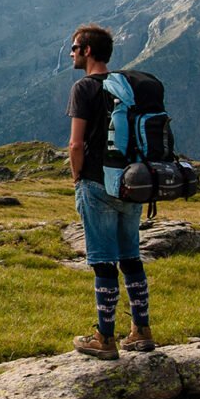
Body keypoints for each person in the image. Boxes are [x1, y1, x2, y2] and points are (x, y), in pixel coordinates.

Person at [66, 24, 154, 359]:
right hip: (130, 183)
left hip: (96, 183)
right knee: (131, 257)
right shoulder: (126, 87)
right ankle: (141, 331)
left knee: (103, 262)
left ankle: (104, 338)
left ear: (87, 51)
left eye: (75, 47)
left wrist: (77, 177)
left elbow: (76, 144)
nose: (72, 53)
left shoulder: (84, 88)